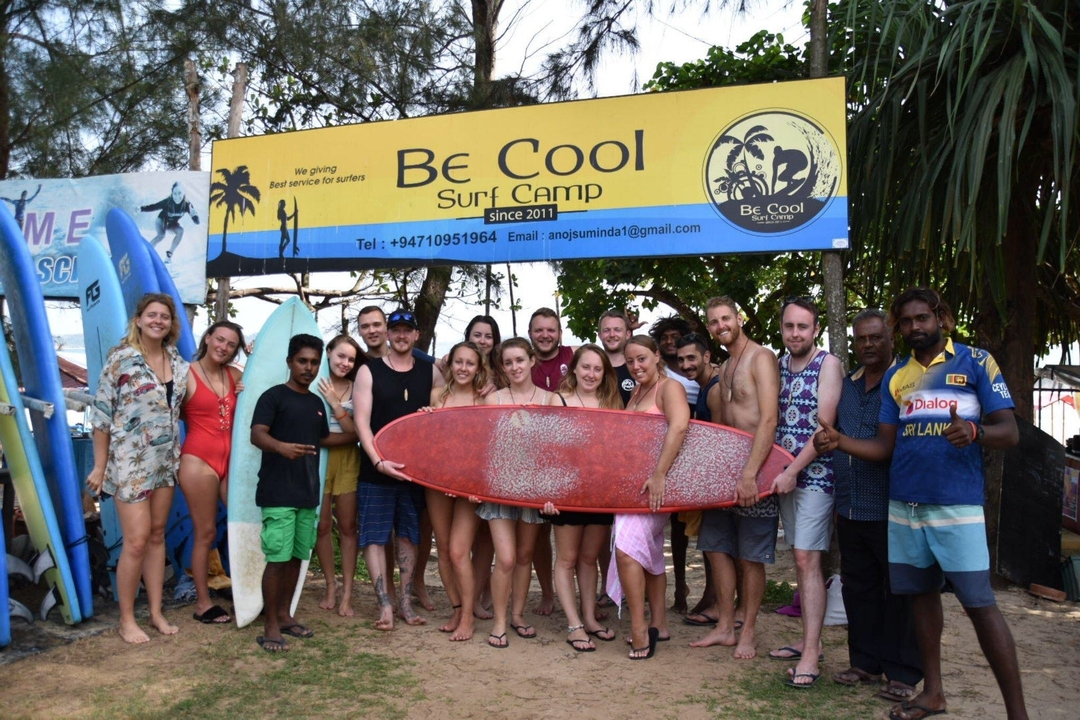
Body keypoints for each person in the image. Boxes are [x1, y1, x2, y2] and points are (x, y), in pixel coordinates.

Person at [815, 288, 1025, 720]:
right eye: (907, 321)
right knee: (921, 599)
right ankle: (933, 693)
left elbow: (1010, 432)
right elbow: (884, 447)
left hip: (956, 506)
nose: (915, 327)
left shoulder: (976, 361)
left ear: (941, 318)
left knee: (979, 605)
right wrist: (840, 442)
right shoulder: (898, 377)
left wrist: (976, 431)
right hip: (903, 507)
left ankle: (1017, 714)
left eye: (922, 318)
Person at [827, 308, 922, 699]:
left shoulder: (905, 380)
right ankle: (864, 662)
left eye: (875, 337)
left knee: (899, 591)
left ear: (890, 338)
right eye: (861, 338)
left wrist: (838, 442)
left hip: (890, 506)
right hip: (849, 506)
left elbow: (891, 447)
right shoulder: (847, 385)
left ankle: (903, 672)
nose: (868, 344)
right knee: (858, 587)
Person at [87, 293, 189, 644]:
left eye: (164, 316)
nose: (158, 321)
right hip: (129, 465)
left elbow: (199, 393)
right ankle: (127, 619)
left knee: (157, 536)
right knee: (135, 541)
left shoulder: (177, 362)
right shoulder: (122, 359)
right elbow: (101, 415)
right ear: (139, 320)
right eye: (152, 315)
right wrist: (99, 466)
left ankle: (156, 613)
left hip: (165, 463)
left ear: (171, 324)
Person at [688, 297, 780, 661]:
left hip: (756, 473)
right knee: (716, 547)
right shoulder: (724, 367)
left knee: (751, 556)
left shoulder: (762, 357)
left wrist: (749, 474)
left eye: (725, 318)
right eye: (713, 322)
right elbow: (722, 427)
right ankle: (725, 626)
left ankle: (748, 630)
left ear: (739, 319)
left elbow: (769, 418)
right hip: (725, 476)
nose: (720, 326)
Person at [768, 296, 843, 689]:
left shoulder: (827, 365)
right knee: (801, 561)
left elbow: (824, 429)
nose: (795, 333)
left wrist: (794, 471)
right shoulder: (777, 365)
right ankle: (809, 641)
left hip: (815, 476)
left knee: (806, 558)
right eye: (789, 326)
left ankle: (811, 654)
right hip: (784, 476)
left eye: (802, 326)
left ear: (816, 329)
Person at [354, 309, 444, 630]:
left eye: (408, 330)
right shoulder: (369, 371)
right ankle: (385, 605)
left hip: (413, 471)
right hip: (375, 469)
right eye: (396, 330)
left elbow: (445, 413)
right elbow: (361, 422)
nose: (402, 335)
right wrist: (378, 461)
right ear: (388, 335)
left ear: (417, 334)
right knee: (375, 537)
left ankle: (405, 602)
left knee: (408, 535)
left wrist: (434, 412)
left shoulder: (431, 372)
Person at [607, 335, 688, 659]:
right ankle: (660, 624)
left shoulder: (670, 388)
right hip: (633, 489)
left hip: (655, 486)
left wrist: (659, 475)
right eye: (630, 361)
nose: (636, 366)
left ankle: (640, 629)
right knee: (651, 553)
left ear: (656, 355)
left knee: (626, 550)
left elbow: (679, 427)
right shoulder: (637, 391)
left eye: (641, 358)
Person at [249, 334, 328, 652]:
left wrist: (361, 436)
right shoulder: (273, 397)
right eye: (302, 361)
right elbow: (257, 435)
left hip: (308, 494)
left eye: (314, 362)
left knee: (296, 558)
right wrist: (281, 447)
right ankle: (270, 624)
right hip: (278, 493)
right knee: (278, 559)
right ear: (289, 362)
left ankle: (285, 616)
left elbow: (323, 440)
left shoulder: (316, 404)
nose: (308, 368)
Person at [542, 344, 621, 652]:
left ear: (604, 373)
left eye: (597, 369)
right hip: (566, 491)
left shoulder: (611, 401)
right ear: (574, 368)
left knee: (589, 559)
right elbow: (547, 451)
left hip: (599, 492)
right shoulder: (559, 399)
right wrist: (548, 492)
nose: (591, 374)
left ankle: (589, 618)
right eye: (586, 367)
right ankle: (574, 625)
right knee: (567, 559)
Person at [479, 338, 550, 648]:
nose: (514, 367)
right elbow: (484, 448)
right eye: (508, 362)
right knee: (505, 558)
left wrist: (551, 490)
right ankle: (499, 622)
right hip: (500, 488)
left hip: (534, 490)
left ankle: (518, 616)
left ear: (531, 360)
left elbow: (557, 451)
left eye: (520, 360)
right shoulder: (493, 399)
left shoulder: (551, 399)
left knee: (524, 556)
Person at [180, 320, 245, 625]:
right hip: (198, 461)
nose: (224, 347)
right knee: (205, 532)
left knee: (243, 525)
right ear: (207, 338)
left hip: (230, 462)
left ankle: (247, 590)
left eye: (231, 344)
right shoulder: (186, 373)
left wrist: (247, 384)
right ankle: (203, 603)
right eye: (220, 340)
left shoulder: (236, 375)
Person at [426, 341, 490, 641]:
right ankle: (456, 609)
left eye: (470, 363)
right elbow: (431, 442)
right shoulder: (437, 396)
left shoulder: (484, 400)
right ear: (450, 364)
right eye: (459, 362)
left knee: (458, 550)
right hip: (438, 482)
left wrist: (473, 483)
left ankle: (468, 617)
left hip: (469, 486)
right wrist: (425, 418)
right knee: (443, 550)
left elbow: (487, 447)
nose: (463, 368)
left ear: (478, 368)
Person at [649, 315, 699, 616]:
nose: (669, 341)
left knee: (687, 527)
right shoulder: (658, 372)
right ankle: (669, 587)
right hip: (662, 450)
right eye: (664, 337)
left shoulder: (694, 368)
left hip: (692, 451)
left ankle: (686, 588)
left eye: (674, 336)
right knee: (660, 527)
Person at [314, 335, 365, 617]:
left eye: (351, 359)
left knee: (347, 527)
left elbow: (356, 431)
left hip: (348, 460)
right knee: (321, 526)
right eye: (340, 356)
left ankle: (347, 592)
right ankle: (330, 586)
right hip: (318, 460)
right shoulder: (314, 380)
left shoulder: (357, 387)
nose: (345, 363)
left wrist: (335, 404)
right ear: (329, 352)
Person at [527, 307, 572, 616]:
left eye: (550, 330)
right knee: (540, 532)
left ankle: (598, 595)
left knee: (580, 531)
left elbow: (611, 360)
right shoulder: (521, 361)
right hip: (533, 460)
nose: (545, 335)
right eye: (539, 330)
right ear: (530, 334)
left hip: (571, 458)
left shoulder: (574, 356)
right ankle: (547, 593)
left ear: (559, 333)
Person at [673, 332, 719, 623]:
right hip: (706, 478)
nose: (686, 364)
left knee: (717, 543)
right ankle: (713, 600)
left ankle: (716, 602)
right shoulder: (702, 387)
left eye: (691, 358)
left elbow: (722, 438)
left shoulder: (715, 388)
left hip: (718, 481)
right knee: (710, 541)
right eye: (681, 360)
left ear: (706, 356)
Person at [141, 182, 199, 263]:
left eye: (179, 193)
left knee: (181, 231)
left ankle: (168, 256)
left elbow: (197, 222)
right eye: (175, 193)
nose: (177, 197)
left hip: (172, 224)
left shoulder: (187, 204)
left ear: (183, 193)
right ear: (172, 194)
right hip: (161, 220)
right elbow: (154, 206)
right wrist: (141, 209)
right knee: (161, 235)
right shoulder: (167, 202)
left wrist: (194, 216)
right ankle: (145, 253)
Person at [598, 310, 635, 404]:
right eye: (606, 330)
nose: (612, 334)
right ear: (600, 335)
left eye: (617, 330)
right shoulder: (591, 369)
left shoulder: (637, 368)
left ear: (628, 334)